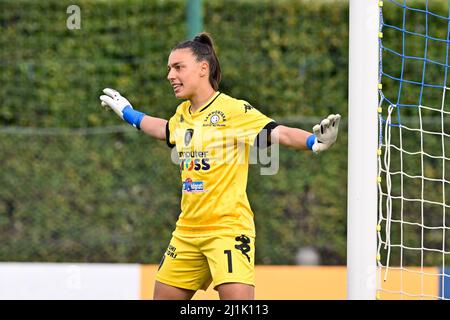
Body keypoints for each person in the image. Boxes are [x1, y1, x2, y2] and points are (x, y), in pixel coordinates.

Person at [99, 32, 340, 300]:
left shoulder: (232, 110)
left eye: (178, 67)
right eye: (169, 68)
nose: (170, 75)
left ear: (203, 68)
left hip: (227, 230)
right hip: (187, 232)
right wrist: (129, 113)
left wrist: (312, 141)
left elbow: (278, 133)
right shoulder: (182, 114)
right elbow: (165, 130)